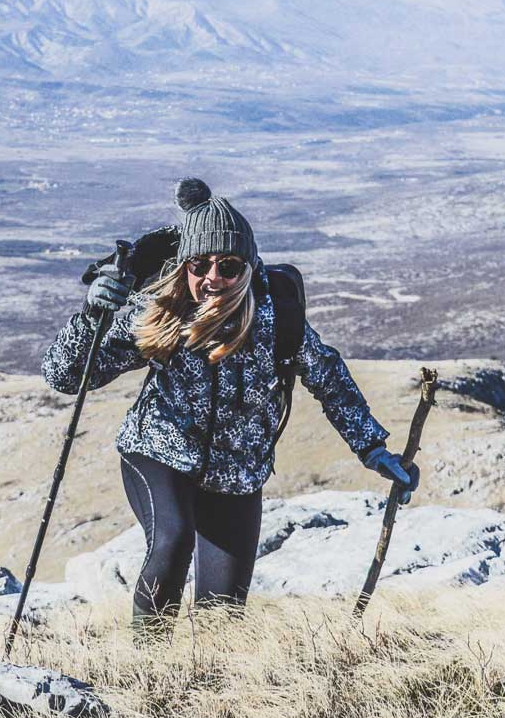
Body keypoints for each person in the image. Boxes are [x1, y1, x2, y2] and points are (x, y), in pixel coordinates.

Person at [41, 177, 418, 642]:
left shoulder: (276, 319)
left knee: (222, 618)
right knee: (173, 541)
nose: (212, 277)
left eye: (229, 265)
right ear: (184, 266)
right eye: (199, 264)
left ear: (249, 266)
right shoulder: (160, 311)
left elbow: (329, 378)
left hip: (237, 475)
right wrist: (90, 317)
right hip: (158, 454)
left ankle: (205, 691)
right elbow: (65, 377)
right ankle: (145, 669)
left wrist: (374, 450)